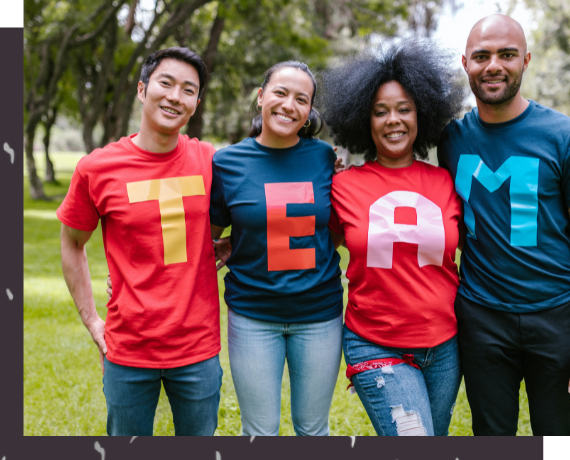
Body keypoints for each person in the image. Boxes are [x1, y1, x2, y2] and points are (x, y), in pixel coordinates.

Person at [57, 47, 223, 436]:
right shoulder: (96, 169)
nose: (174, 96)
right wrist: (92, 321)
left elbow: (260, 202)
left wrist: (231, 244)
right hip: (128, 348)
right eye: (165, 83)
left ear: (195, 104)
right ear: (142, 89)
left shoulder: (209, 161)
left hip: (197, 348)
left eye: (188, 90)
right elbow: (72, 243)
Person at [321, 39, 465, 436]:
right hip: (375, 342)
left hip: (445, 345)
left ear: (422, 115)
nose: (393, 120)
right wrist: (239, 240)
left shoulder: (447, 183)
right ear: (363, 120)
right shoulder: (342, 187)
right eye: (380, 112)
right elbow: (310, 236)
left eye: (405, 109)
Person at [437, 14, 570, 436]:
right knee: (492, 437)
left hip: (557, 314)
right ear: (465, 63)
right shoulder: (451, 139)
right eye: (482, 56)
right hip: (482, 316)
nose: (493, 65)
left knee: (558, 436)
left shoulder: (560, 135)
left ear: (526, 60)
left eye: (506, 54)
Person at [209, 61, 344, 436]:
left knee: (313, 429)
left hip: (319, 315)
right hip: (253, 315)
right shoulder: (227, 163)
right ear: (261, 97)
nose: (289, 105)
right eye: (281, 93)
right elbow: (203, 237)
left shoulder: (324, 158)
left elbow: (334, 228)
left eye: (302, 99)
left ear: (309, 113)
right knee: (259, 431)